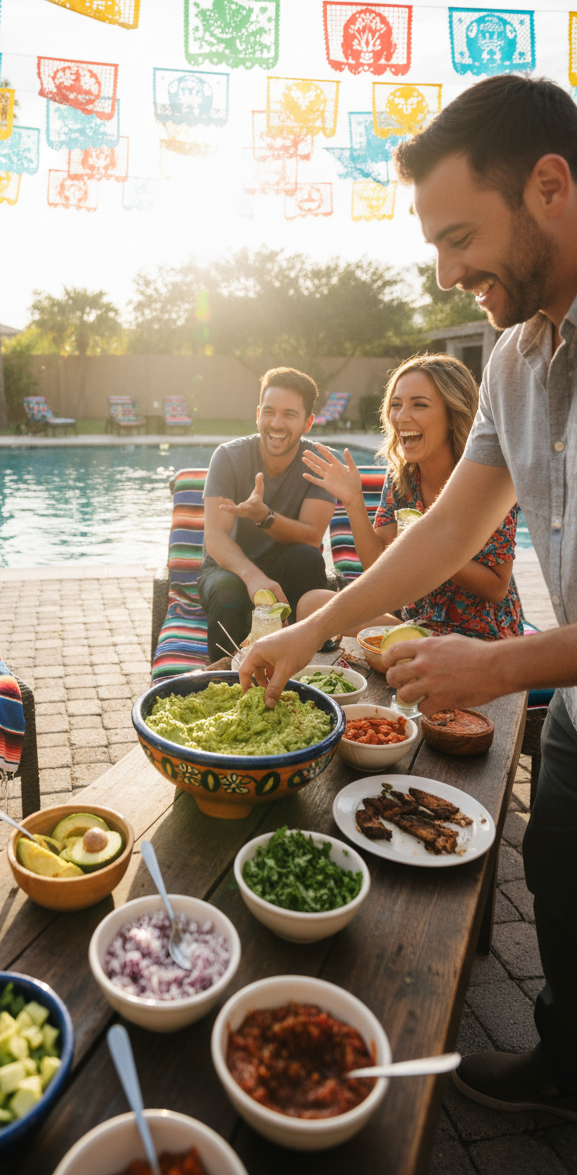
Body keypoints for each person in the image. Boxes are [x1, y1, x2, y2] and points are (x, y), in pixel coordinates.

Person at [238, 74, 577, 1120]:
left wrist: (500, 665)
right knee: (557, 867)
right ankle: (566, 1065)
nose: (448, 270)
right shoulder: (519, 358)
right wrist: (319, 630)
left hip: (540, 674)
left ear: (553, 187)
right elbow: (445, 532)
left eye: (462, 235)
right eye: (435, 245)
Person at [301, 353, 523, 640]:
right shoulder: (401, 479)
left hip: (478, 634)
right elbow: (379, 567)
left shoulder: (487, 480)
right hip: (415, 624)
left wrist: (430, 542)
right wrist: (354, 501)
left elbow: (496, 587)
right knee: (311, 605)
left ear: (453, 415)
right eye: (396, 404)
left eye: (419, 405)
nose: (401, 417)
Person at [197, 366, 335, 662]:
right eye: (269, 411)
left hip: (287, 568)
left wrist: (264, 516)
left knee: (307, 559)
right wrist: (252, 577)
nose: (276, 423)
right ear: (258, 413)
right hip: (228, 569)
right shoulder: (229, 457)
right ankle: (228, 679)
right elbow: (215, 537)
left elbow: (312, 536)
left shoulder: (318, 463)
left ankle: (308, 668)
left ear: (308, 422)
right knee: (226, 591)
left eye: (289, 414)